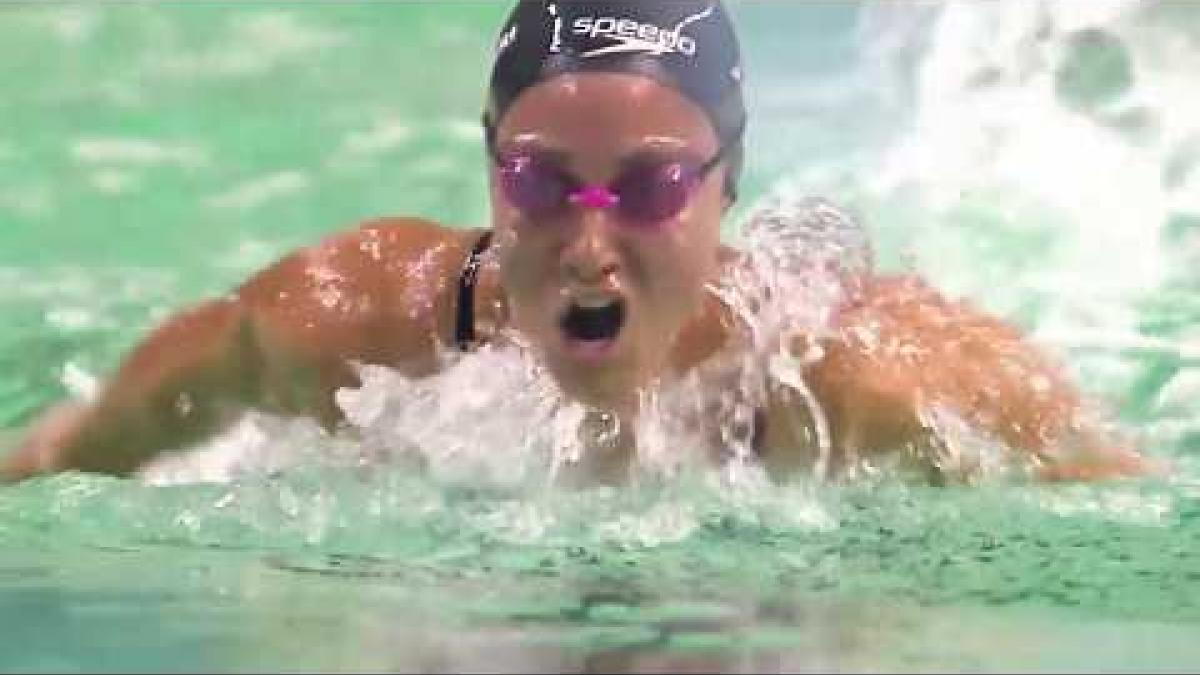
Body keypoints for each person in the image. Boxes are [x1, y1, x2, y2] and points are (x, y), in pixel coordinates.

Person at [1, 0, 1150, 485]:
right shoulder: (341, 320)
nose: (589, 247)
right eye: (542, 180)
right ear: (492, 166)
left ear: (727, 187)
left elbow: (1137, 522)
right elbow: (65, 455)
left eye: (648, 187)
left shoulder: (873, 381)